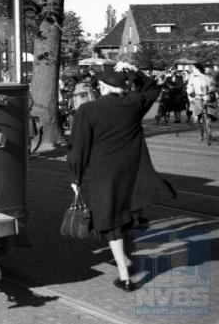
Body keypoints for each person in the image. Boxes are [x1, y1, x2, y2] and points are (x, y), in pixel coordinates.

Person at [67, 61, 175, 292]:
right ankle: (125, 260)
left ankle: (125, 275)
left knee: (111, 222)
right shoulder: (134, 103)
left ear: (104, 87)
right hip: (132, 172)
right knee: (125, 216)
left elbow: (79, 149)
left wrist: (76, 178)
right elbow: (153, 88)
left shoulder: (88, 110)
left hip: (104, 174)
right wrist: (135, 71)